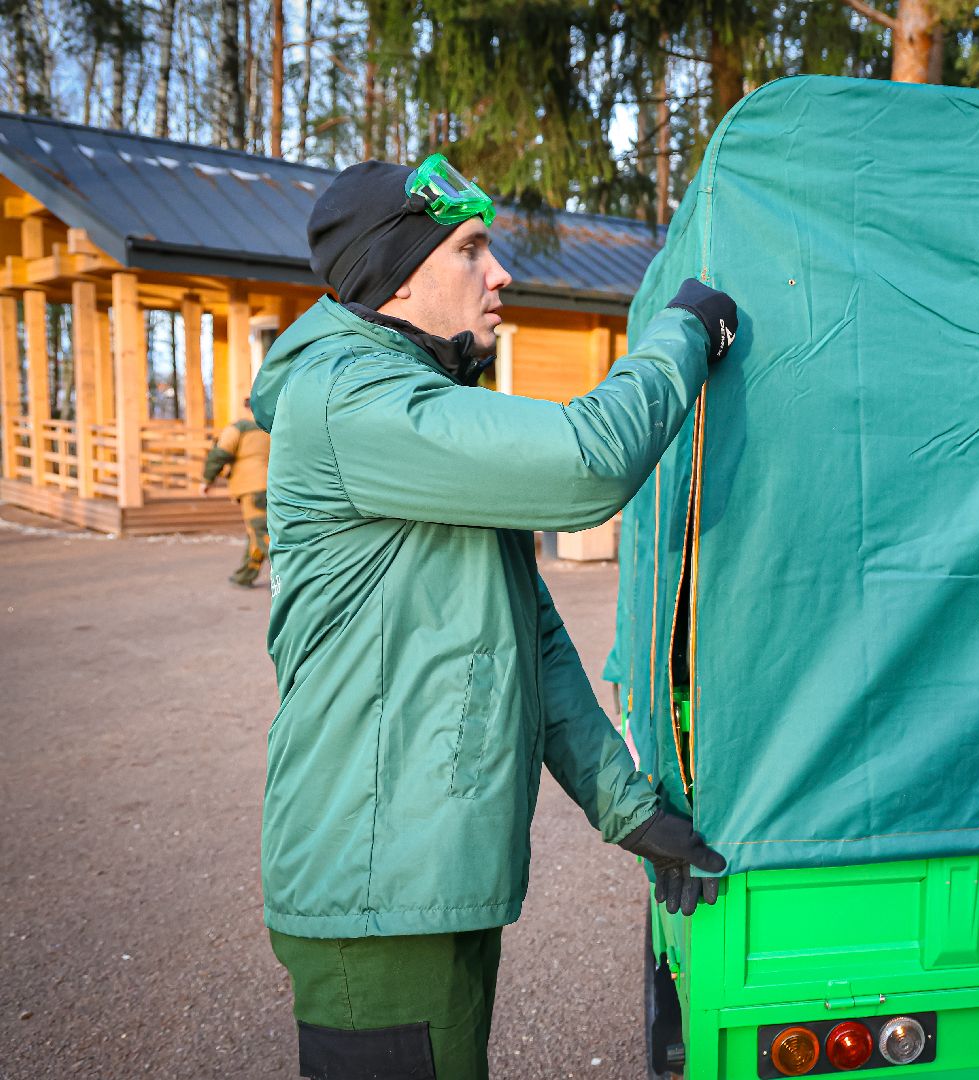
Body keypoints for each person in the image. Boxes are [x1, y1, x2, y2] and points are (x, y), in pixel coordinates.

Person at [248, 154, 737, 1080]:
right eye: (472, 249)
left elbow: (532, 643)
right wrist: (686, 331)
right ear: (397, 277)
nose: (500, 273)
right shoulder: (351, 398)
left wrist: (630, 813)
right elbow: (588, 461)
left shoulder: (419, 410)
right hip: (374, 888)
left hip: (424, 881)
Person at [199, 398, 271, 587]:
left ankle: (290, 578)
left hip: (252, 487)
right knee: (256, 532)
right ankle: (245, 576)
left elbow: (220, 452)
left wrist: (207, 479)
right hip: (272, 485)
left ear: (247, 409)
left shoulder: (240, 427)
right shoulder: (271, 428)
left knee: (260, 532)